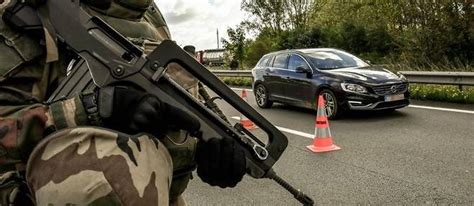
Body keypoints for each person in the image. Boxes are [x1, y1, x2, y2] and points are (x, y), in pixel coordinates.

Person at [0, 0, 246, 205]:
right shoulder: (22, 13)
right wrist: (91, 110)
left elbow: (175, 90)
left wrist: (206, 144)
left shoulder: (149, 14)